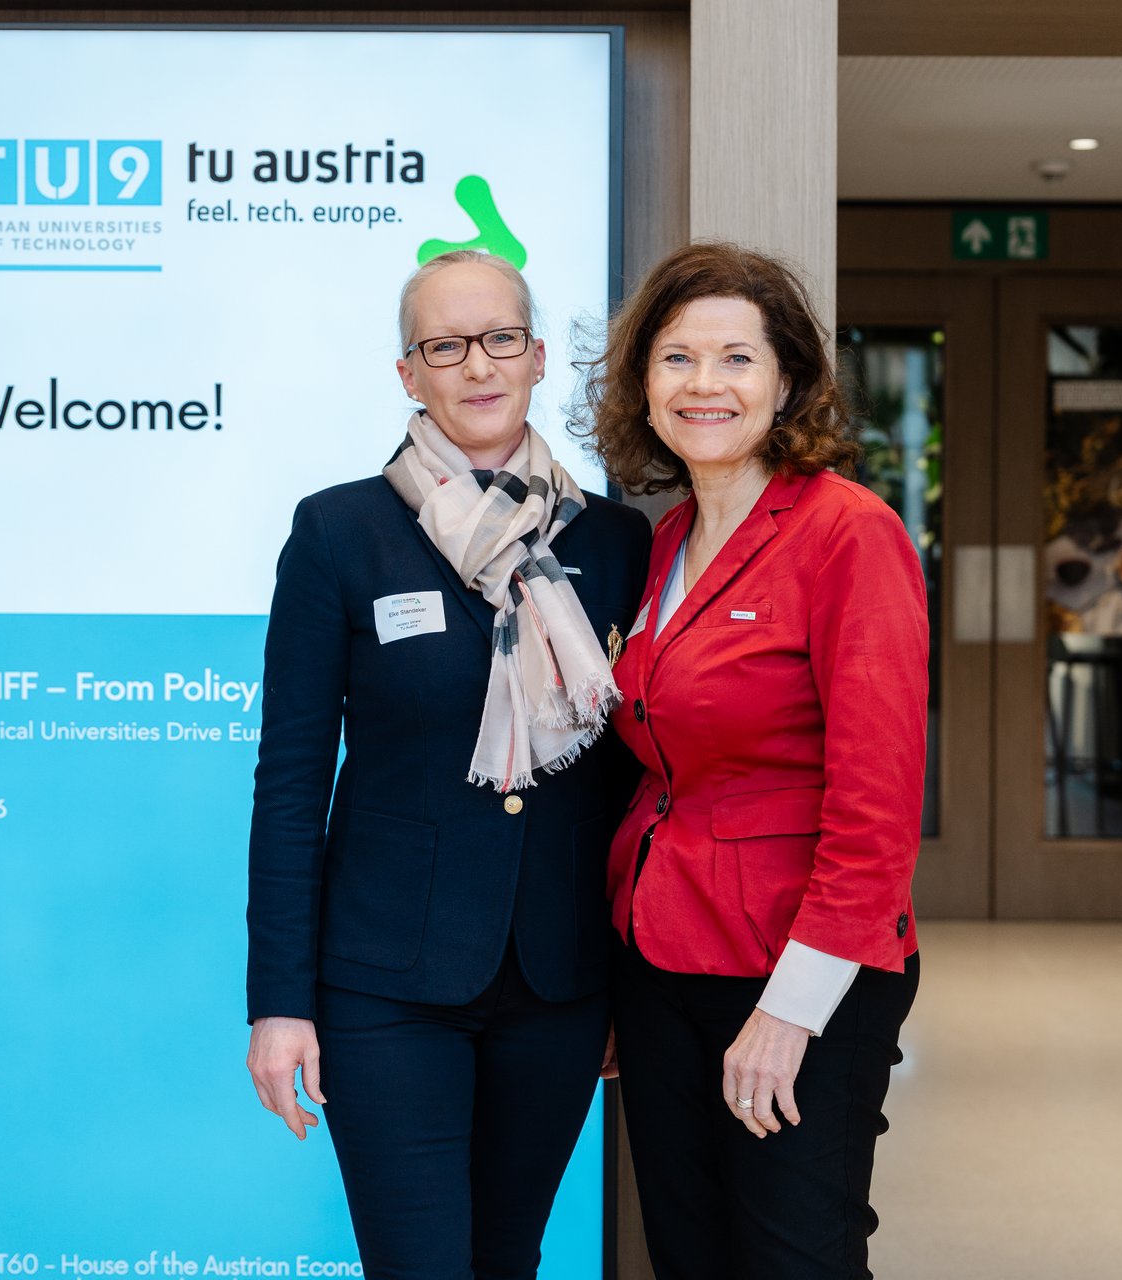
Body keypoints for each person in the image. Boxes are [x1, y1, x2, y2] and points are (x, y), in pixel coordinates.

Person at [244, 249, 651, 1280]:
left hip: (557, 981)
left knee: (506, 1258)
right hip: (387, 982)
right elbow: (290, 782)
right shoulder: (340, 531)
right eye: (445, 345)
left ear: (538, 356)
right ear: (407, 372)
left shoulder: (610, 539)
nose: (478, 365)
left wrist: (620, 988)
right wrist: (278, 1002)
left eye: (501, 339)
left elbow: (624, 775)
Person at [582, 241, 930, 1279]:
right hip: (659, 960)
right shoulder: (666, 541)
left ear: (787, 380)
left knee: (794, 1258)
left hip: (793, 966)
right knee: (690, 1254)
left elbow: (877, 805)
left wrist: (790, 1008)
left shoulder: (847, 534)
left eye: (736, 357)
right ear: (643, 383)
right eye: (677, 358)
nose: (704, 384)